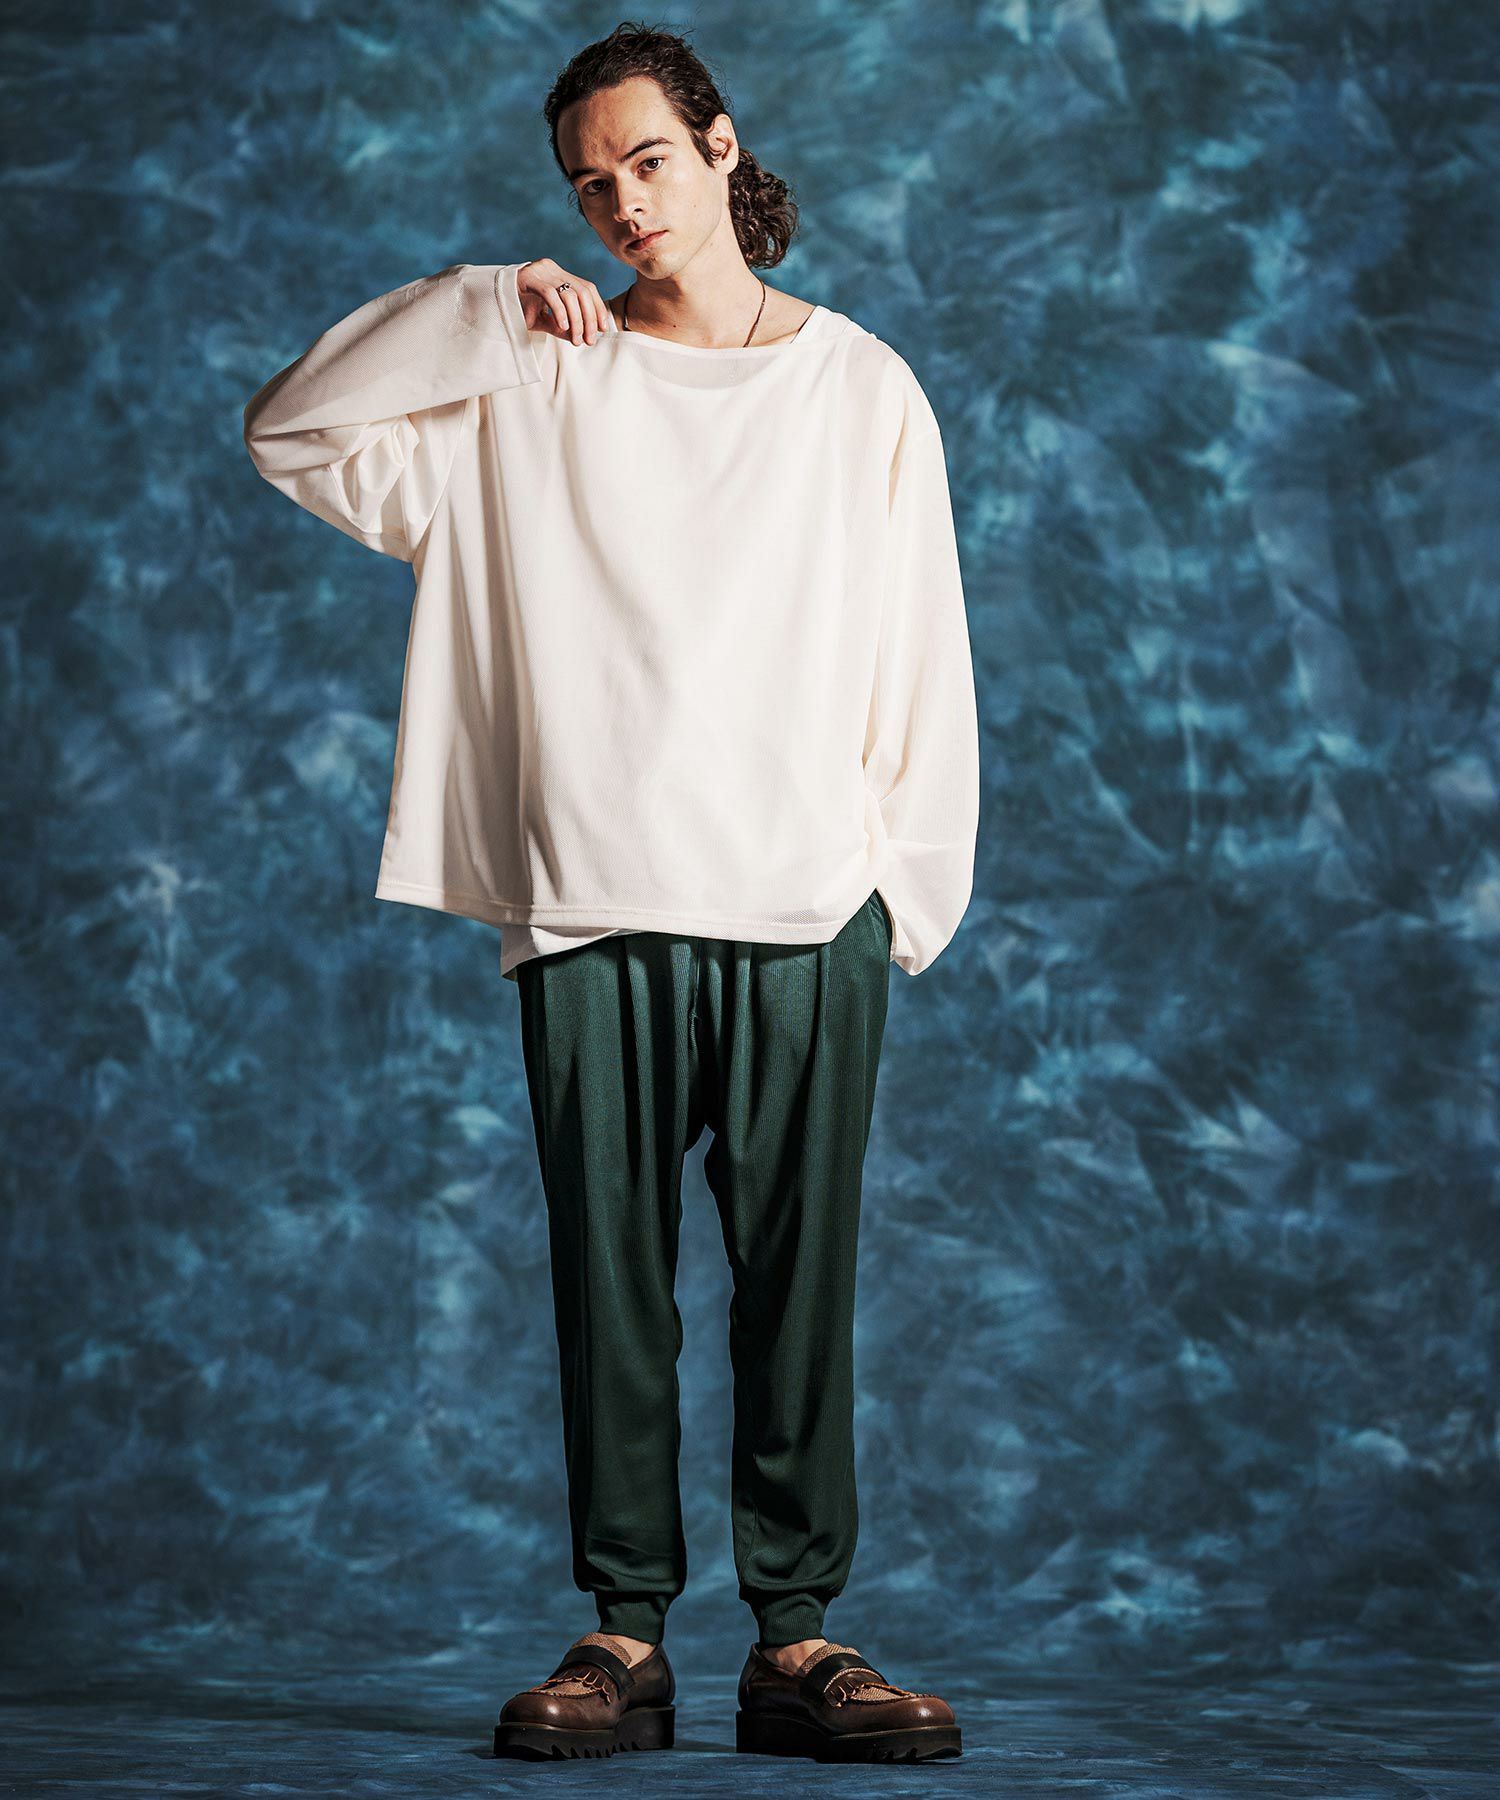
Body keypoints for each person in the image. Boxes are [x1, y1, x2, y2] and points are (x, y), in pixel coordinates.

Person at [243, 21, 977, 1765]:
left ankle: (799, 1639)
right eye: (589, 185)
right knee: (612, 1284)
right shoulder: (531, 383)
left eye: (648, 159)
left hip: (807, 908)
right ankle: (623, 1635)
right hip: (590, 902)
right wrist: (483, 304)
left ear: (722, 147)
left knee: (798, 1283)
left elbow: (923, 652)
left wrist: (899, 894)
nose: (623, 203)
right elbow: (293, 430)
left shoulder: (860, 387)